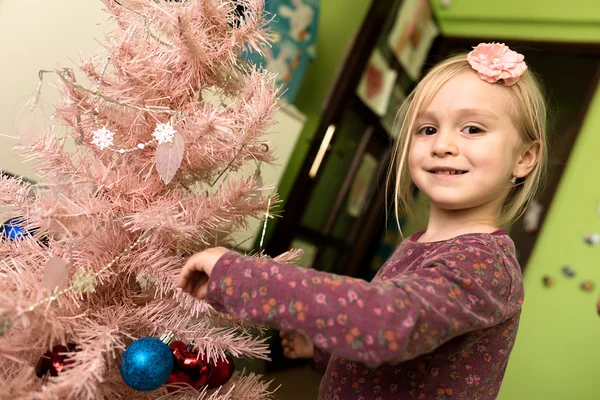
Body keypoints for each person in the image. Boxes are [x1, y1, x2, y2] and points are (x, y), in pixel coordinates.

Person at [177, 42, 548, 399]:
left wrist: (241, 278)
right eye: (428, 129)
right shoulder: (421, 244)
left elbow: (387, 322)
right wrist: (324, 348)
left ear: (525, 157)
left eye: (473, 129)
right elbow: (414, 354)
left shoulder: (482, 262)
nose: (442, 145)